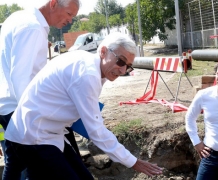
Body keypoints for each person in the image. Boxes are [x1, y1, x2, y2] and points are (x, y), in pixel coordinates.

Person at [4, 32, 163, 179]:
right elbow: (96, 131)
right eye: (120, 61)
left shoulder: (88, 63)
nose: (122, 70)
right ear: (103, 52)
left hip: (42, 131)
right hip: (34, 135)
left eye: (128, 66)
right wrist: (133, 162)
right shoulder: (87, 74)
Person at [0, 0, 80, 179]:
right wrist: (38, 116)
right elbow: (22, 78)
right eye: (69, 14)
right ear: (53, 4)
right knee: (42, 166)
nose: (70, 21)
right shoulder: (32, 28)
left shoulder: (19, 18)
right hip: (20, 109)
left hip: (9, 105)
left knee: (17, 163)